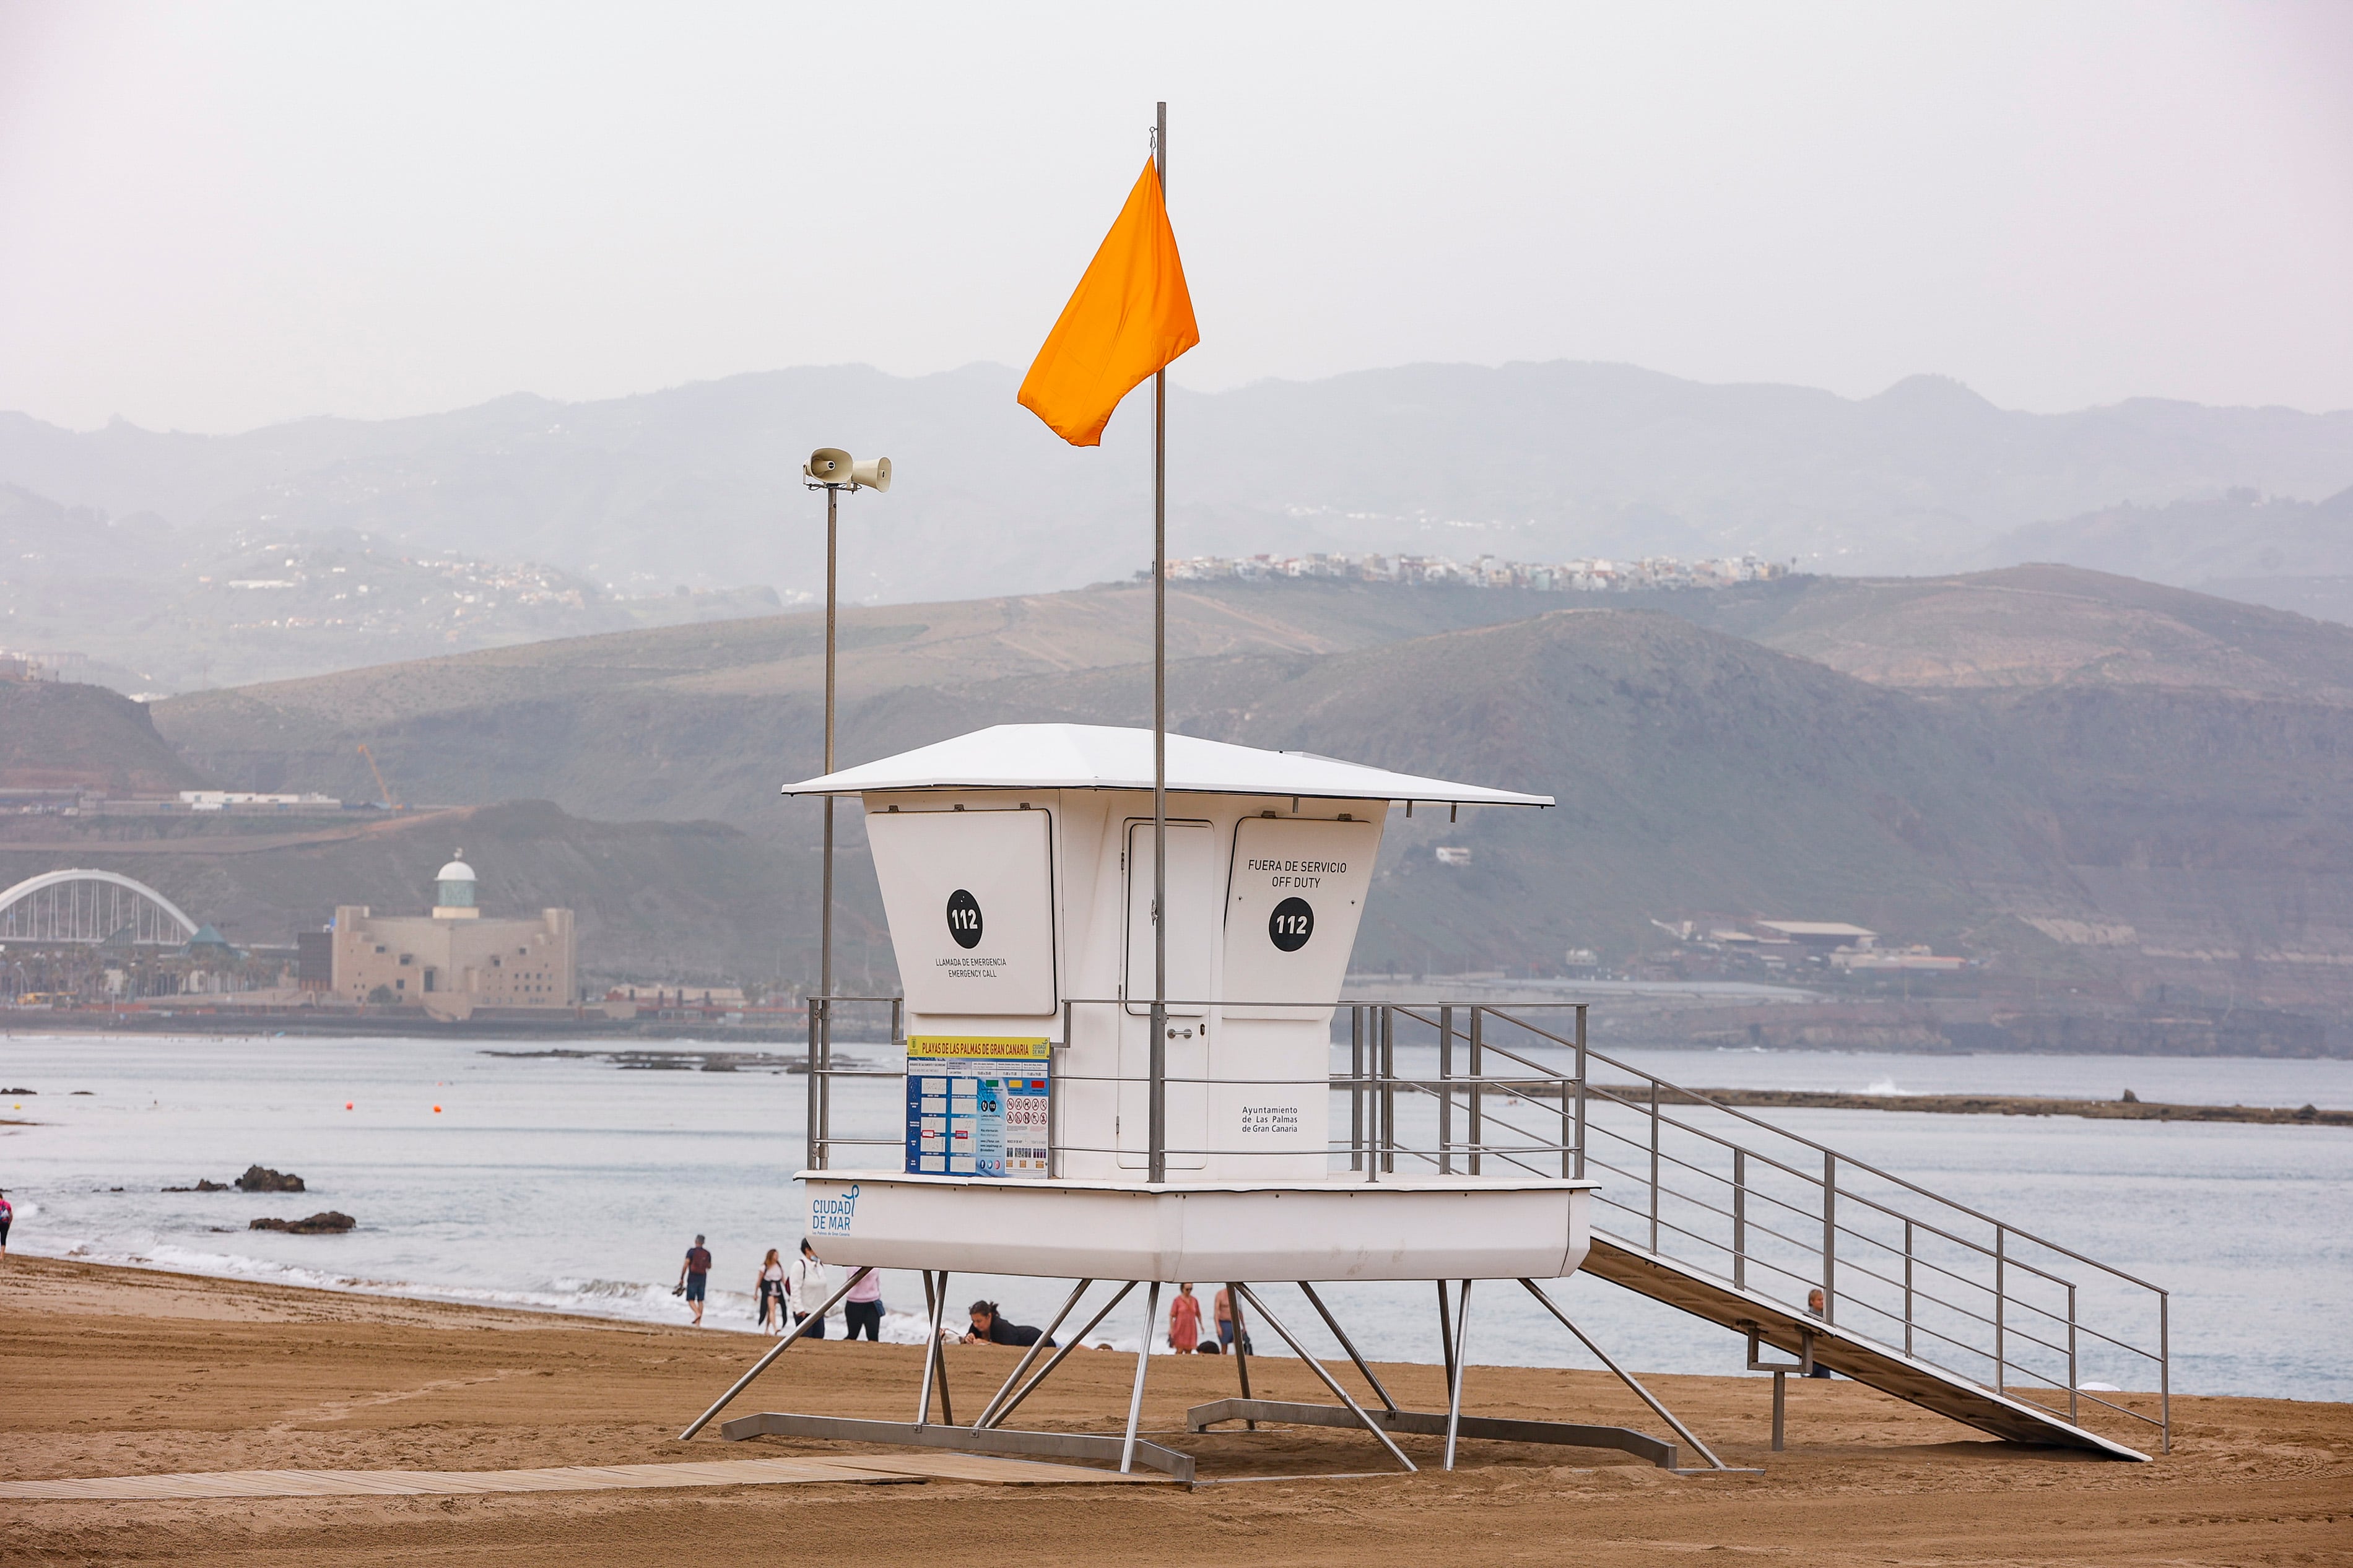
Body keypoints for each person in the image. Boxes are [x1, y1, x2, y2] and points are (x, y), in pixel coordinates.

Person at [787, 1238, 831, 1340]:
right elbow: (795, 1289)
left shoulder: (819, 1265)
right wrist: (799, 1309)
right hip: (804, 1312)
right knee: (806, 1339)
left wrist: (827, 1308)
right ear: (807, 1250)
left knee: (819, 1337)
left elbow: (824, 1288)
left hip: (818, 1311)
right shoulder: (799, 1265)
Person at [961, 1299, 1051, 1347]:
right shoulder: (975, 1327)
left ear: (989, 1316)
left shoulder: (1000, 1326)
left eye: (979, 1321)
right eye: (974, 1321)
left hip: (1037, 1339)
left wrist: (985, 1343)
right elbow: (967, 1340)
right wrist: (968, 1339)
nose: (976, 1325)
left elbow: (1009, 1347)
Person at [841, 1261, 884, 1341]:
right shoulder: (853, 1262)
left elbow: (876, 1280)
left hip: (873, 1302)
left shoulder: (875, 1261)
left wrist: (877, 1294)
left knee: (873, 1336)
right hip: (855, 1303)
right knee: (852, 1335)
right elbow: (854, 1280)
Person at [675, 1234, 712, 1327]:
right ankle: (698, 1323)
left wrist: (682, 1278)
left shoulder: (691, 1252)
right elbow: (709, 1266)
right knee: (700, 1300)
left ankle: (697, 1313)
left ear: (696, 1241)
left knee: (691, 1299)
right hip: (703, 1278)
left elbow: (686, 1265)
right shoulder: (707, 1254)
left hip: (693, 1277)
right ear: (703, 1243)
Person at [755, 1247, 786, 1333]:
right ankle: (775, 1327)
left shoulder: (779, 1266)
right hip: (768, 1291)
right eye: (775, 1255)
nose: (776, 1257)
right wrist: (756, 1293)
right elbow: (759, 1281)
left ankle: (767, 1329)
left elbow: (783, 1280)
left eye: (777, 1255)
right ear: (771, 1256)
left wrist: (789, 1291)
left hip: (777, 1291)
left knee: (770, 1310)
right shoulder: (764, 1267)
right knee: (772, 1309)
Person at [1213, 1285, 1250, 1353]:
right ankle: (1223, 1360)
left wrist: (1244, 1326)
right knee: (1224, 1346)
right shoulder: (1220, 1294)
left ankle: (1239, 1360)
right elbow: (1216, 1312)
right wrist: (1218, 1327)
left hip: (1235, 1322)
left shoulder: (1237, 1295)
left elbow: (1240, 1310)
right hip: (1224, 1323)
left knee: (1238, 1344)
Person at [1805, 1287, 1833, 1378]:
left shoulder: (1827, 1317)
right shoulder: (1805, 1317)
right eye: (1819, 1300)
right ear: (1812, 1301)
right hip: (1810, 1354)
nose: (1822, 1302)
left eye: (1823, 1299)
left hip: (1823, 1355)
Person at [1168, 1283, 1202, 1354]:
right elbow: (1172, 1315)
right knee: (1179, 1349)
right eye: (1187, 1289)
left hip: (1191, 1328)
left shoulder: (1194, 1300)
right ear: (1182, 1289)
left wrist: (1201, 1326)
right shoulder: (1177, 1300)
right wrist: (1171, 1329)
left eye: (1191, 1289)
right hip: (1180, 1328)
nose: (1189, 1291)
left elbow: (1198, 1314)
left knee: (1189, 1350)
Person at [0, 1187, 11, 1262]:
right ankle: (2, 1256)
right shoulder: (8, 1204)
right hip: (5, 1224)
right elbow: (11, 1215)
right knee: (3, 1240)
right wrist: (9, 1224)